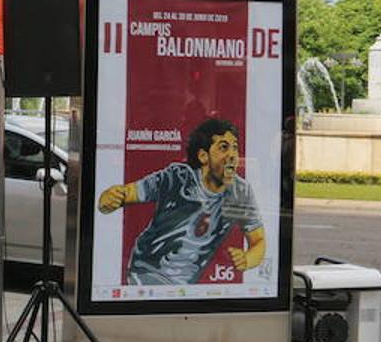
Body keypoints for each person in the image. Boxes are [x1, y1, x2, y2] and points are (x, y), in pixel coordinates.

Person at [98, 117, 265, 285]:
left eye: (235, 148)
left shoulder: (241, 191)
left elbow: (259, 241)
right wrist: (109, 198)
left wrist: (248, 259)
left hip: (184, 289)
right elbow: (127, 193)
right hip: (146, 274)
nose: (232, 155)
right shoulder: (176, 177)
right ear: (203, 156)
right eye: (224, 147)